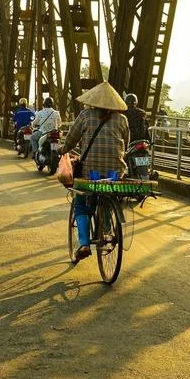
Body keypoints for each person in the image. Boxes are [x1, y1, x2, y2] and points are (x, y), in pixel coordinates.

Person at [60, 82, 130, 260]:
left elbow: (72, 139)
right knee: (108, 193)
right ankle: (106, 228)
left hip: (90, 171)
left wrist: (62, 150)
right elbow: (126, 144)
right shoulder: (122, 119)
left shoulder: (85, 115)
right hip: (115, 172)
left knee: (81, 204)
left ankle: (84, 243)